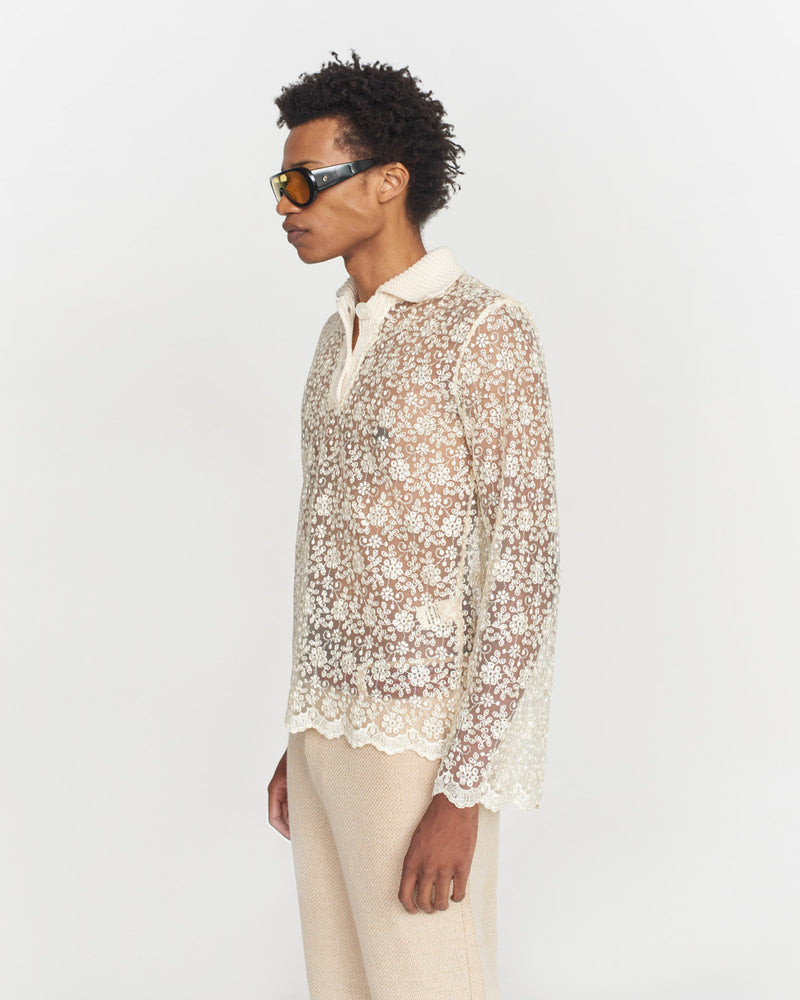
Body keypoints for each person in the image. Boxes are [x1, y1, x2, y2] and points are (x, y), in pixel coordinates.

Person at [266, 52, 560, 1000]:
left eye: (305, 180)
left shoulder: (484, 329)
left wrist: (462, 792)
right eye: (280, 184)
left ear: (389, 181)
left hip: (419, 745)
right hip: (326, 731)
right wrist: (302, 729)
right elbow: (329, 543)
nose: (285, 204)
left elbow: (522, 573)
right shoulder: (337, 333)